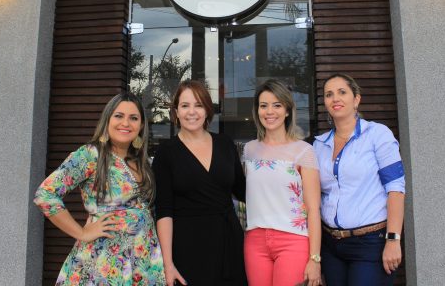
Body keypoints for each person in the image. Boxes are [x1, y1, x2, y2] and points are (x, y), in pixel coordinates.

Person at [34, 93, 165, 285]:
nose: (126, 123)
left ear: (142, 125)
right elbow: (45, 194)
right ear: (107, 119)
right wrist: (82, 232)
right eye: (118, 116)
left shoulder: (142, 162)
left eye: (133, 118)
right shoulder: (91, 154)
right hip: (104, 262)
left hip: (141, 260)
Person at [313, 73, 405, 286]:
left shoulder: (377, 135)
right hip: (331, 245)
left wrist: (393, 240)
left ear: (356, 99)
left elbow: (396, 189)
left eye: (342, 92)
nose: (335, 98)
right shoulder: (319, 145)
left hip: (370, 244)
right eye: (329, 94)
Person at [152, 80, 246, 286]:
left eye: (198, 105)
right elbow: (164, 211)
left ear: (207, 110)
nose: (191, 112)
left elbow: (244, 191)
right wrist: (167, 264)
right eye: (185, 105)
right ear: (176, 111)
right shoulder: (166, 152)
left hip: (229, 244)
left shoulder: (225, 143)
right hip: (187, 248)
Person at [242, 80, 322, 286]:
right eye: (263, 105)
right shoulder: (249, 150)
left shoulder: (304, 151)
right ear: (257, 110)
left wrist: (315, 258)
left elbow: (313, 209)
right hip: (255, 241)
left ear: (287, 110)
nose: (270, 111)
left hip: (293, 241)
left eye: (277, 105)